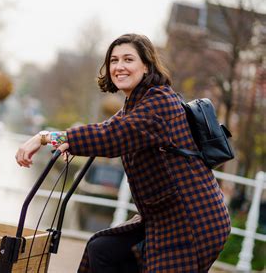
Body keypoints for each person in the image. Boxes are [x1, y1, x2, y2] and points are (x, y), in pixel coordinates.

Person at [16, 34, 231, 272]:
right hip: (162, 218)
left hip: (192, 221)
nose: (119, 67)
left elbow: (113, 137)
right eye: (114, 60)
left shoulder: (160, 102)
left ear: (146, 66)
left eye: (128, 59)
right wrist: (65, 142)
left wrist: (44, 137)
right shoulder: (137, 104)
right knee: (103, 249)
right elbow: (106, 129)